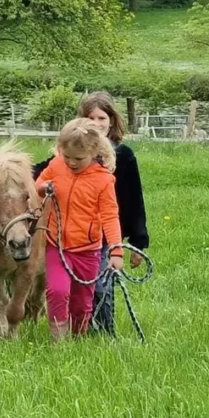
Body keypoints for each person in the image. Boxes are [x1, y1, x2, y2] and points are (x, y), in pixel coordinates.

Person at [33, 92, 149, 335]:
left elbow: (130, 203)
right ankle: (62, 338)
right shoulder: (62, 159)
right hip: (61, 240)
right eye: (90, 118)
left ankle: (102, 332)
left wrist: (134, 242)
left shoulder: (120, 160)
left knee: (98, 290)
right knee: (60, 290)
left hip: (99, 239)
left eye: (101, 118)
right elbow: (39, 176)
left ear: (112, 120)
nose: (96, 123)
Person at [34, 119, 123, 340]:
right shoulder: (56, 165)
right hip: (57, 245)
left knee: (82, 302)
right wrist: (44, 188)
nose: (71, 163)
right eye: (67, 157)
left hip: (88, 250)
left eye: (79, 159)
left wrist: (116, 250)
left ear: (93, 152)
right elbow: (37, 184)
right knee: (57, 291)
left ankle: (78, 336)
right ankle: (58, 341)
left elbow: (110, 217)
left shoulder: (103, 180)